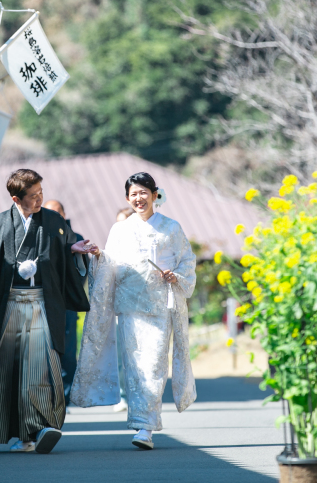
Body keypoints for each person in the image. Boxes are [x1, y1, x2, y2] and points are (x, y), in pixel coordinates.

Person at [0, 169, 94, 454]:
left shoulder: (53, 221)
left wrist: (75, 250)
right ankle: (24, 434)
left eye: (41, 192)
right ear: (16, 198)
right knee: (9, 369)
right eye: (33, 195)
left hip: (42, 304)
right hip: (9, 305)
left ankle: (42, 426)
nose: (40, 199)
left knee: (41, 367)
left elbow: (66, 249)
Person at [71, 172, 197, 451]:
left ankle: (145, 426)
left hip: (159, 306)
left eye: (144, 193)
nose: (139, 198)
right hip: (129, 308)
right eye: (133, 194)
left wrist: (176, 275)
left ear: (155, 194)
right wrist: (98, 257)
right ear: (127, 198)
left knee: (154, 365)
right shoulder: (120, 230)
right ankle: (143, 424)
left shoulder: (171, 228)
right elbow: (111, 264)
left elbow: (187, 261)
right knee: (136, 367)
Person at [42, 199, 86, 399]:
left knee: (67, 350)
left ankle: (65, 394)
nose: (53, 216)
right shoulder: (39, 236)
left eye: (57, 212)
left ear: (64, 214)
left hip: (67, 303)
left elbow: (83, 271)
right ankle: (48, 392)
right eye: (48, 212)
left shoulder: (76, 237)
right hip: (43, 301)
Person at [112, 206, 134, 413]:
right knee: (120, 354)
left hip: (141, 306)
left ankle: (140, 393)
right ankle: (122, 395)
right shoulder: (114, 246)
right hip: (119, 307)